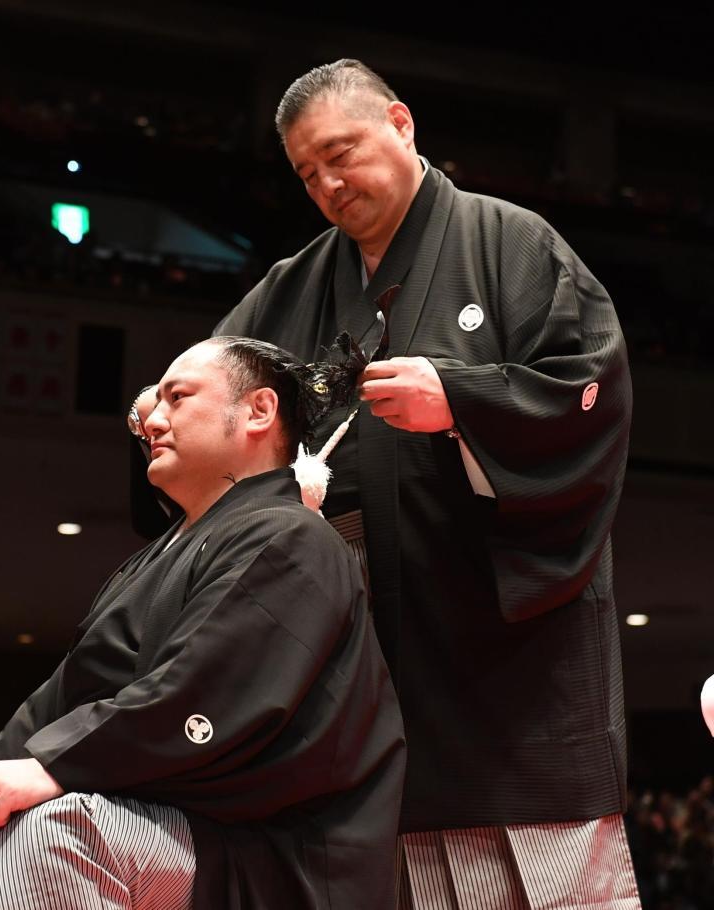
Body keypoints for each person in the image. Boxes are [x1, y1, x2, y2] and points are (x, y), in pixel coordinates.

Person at [210, 60, 638, 908]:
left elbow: (592, 394)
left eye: (343, 152)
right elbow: (216, 406)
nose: (330, 183)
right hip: (356, 664)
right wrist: (175, 410)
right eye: (307, 172)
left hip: (500, 665)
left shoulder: (510, 243)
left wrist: (465, 401)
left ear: (401, 126)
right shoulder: (291, 290)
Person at [0, 337, 405, 910]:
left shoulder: (293, 537)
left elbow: (202, 696)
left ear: (258, 410)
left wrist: (56, 767)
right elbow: (52, 709)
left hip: (266, 854)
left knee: (52, 833)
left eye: (177, 397)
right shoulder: (157, 557)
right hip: (170, 819)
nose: (150, 418)